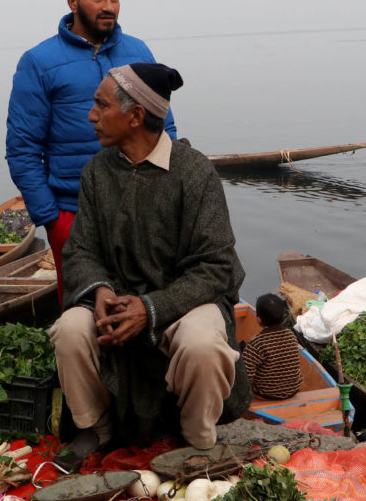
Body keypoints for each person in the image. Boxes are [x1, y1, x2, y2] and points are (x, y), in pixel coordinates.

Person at [49, 63, 250, 469]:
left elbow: (216, 267)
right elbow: (80, 251)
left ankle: (197, 441)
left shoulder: (194, 173)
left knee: (203, 345)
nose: (92, 116)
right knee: (70, 329)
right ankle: (95, 429)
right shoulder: (97, 173)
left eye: (100, 106)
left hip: (185, 304)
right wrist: (101, 290)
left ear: (135, 116)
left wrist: (151, 308)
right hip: (119, 301)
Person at [6, 0, 177, 303]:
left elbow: (165, 129)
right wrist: (53, 221)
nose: (108, 5)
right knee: (82, 315)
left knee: (148, 309)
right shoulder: (39, 62)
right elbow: (23, 149)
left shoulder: (138, 53)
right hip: (74, 214)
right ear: (73, 1)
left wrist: (166, 198)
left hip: (142, 210)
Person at [243, 294, 303, 400]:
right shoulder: (291, 335)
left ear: (259, 320)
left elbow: (246, 376)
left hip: (266, 394)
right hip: (292, 391)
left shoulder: (256, 343)